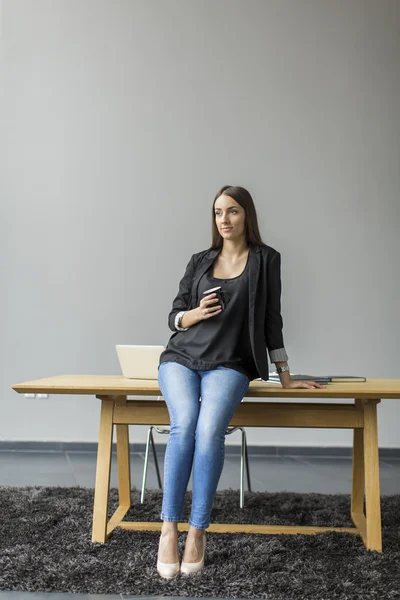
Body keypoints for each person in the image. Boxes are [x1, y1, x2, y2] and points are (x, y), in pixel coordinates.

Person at [156, 185, 326, 578]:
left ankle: (197, 532)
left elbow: (272, 319)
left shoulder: (266, 260)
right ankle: (168, 529)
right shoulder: (200, 260)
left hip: (230, 363)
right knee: (183, 427)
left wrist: (285, 376)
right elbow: (174, 315)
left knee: (210, 430)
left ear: (247, 215)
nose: (225, 220)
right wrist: (194, 315)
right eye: (218, 212)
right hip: (180, 358)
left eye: (232, 211)